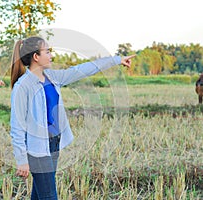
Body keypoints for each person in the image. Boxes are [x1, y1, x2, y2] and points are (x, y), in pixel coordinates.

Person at [9, 36, 135, 200]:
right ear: (36, 57)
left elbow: (84, 69)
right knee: (48, 196)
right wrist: (21, 160)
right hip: (38, 150)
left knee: (40, 194)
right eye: (47, 52)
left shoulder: (53, 77)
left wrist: (117, 60)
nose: (51, 55)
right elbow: (17, 127)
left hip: (53, 143)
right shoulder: (22, 87)